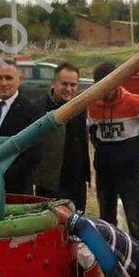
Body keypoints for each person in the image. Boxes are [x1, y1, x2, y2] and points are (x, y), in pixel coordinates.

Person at [87, 62, 139, 246]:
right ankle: (110, 247)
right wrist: (100, 149)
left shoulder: (133, 102)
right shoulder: (92, 105)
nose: (107, 91)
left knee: (134, 214)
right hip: (104, 169)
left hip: (128, 169)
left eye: (112, 84)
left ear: (119, 81)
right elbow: (92, 130)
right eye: (103, 86)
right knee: (106, 214)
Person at [0, 61, 45, 194]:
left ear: (19, 80)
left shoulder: (32, 110)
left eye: (9, 78)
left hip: (16, 187)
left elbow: (34, 153)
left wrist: (1, 173)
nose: (3, 83)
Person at [40, 62, 90, 209]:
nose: (68, 89)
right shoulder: (38, 108)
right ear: (53, 83)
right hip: (49, 184)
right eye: (64, 84)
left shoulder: (81, 108)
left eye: (73, 85)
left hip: (76, 182)